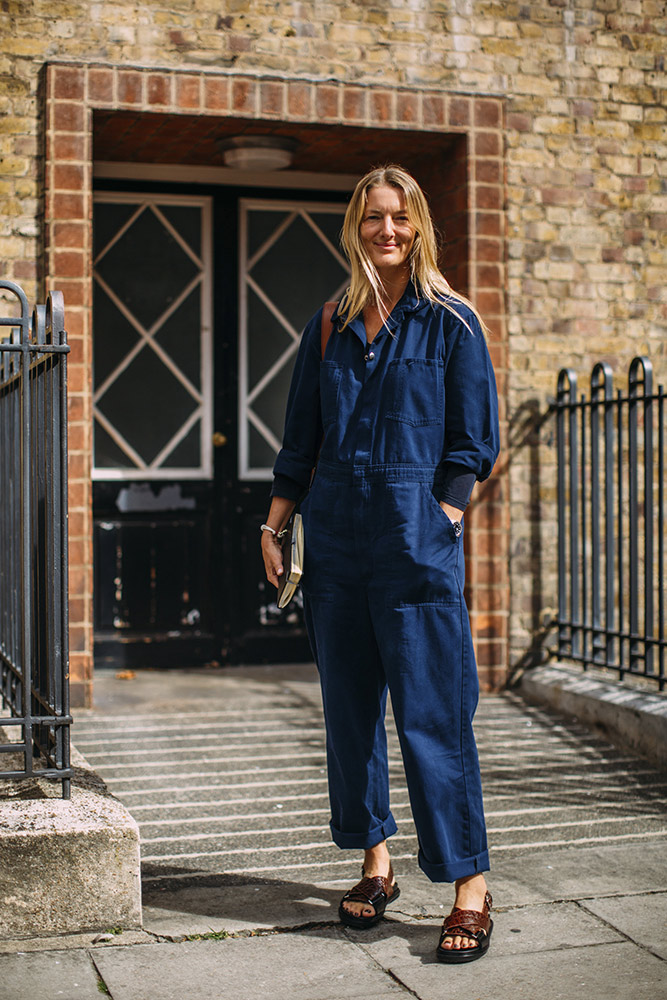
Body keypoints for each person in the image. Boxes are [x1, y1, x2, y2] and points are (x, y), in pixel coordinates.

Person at [260, 164, 499, 963]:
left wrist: (442, 514)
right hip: (335, 543)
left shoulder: (452, 322)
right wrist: (275, 523)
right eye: (372, 218)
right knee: (351, 716)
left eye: (398, 218)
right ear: (354, 226)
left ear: (418, 225)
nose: (385, 232)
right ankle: (375, 862)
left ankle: (468, 885)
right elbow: (301, 438)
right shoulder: (329, 322)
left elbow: (471, 442)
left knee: (433, 717)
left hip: (413, 546)